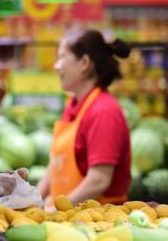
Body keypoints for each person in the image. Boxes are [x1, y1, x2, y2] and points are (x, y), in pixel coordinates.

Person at [37, 30, 132, 207]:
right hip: (68, 221)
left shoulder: (104, 112)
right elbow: (55, 166)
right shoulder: (74, 105)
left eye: (62, 57)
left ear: (84, 63)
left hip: (99, 225)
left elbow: (99, 179)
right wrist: (34, 200)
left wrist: (57, 211)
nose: (56, 66)